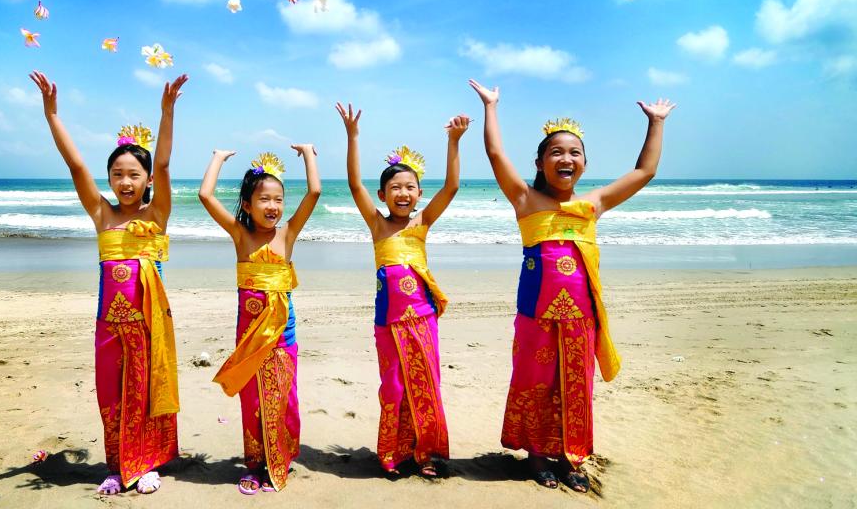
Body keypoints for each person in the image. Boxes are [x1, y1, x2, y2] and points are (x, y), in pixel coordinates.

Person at [470, 78, 675, 493]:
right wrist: (491, 107)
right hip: (535, 315)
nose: (566, 157)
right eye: (556, 152)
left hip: (581, 317)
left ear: (584, 163)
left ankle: (570, 454)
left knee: (575, 386)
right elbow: (495, 152)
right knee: (535, 382)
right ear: (541, 162)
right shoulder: (525, 199)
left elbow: (644, 171)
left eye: (574, 152)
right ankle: (538, 455)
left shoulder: (591, 205)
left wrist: (656, 123)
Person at [29, 70, 188, 495]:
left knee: (146, 391)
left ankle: (148, 462)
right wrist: (52, 115)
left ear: (148, 181)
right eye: (117, 174)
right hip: (108, 324)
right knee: (111, 396)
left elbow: (167, 162)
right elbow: (76, 164)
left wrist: (166, 112)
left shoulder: (155, 216)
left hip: (149, 322)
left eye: (135, 174)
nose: (125, 182)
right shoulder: (102, 214)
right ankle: (118, 465)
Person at [336, 102, 469, 477]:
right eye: (395, 187)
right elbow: (354, 184)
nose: (403, 192)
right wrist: (352, 136)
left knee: (426, 384)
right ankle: (393, 453)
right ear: (382, 195)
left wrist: (454, 141)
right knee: (393, 388)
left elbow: (453, 186)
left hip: (423, 319)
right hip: (387, 322)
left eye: (410, 187)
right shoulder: (378, 226)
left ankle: (425, 453)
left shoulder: (422, 223)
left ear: (419, 193)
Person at [197, 146, 320, 493]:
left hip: (283, 336)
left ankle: (280, 456)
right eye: (264, 199)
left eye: (278, 199)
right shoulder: (241, 236)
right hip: (249, 338)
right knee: (252, 402)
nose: (273, 206)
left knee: (283, 398)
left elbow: (314, 192)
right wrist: (218, 158)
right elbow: (205, 195)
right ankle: (255, 462)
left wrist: (309, 154)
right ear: (248, 205)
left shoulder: (288, 234)